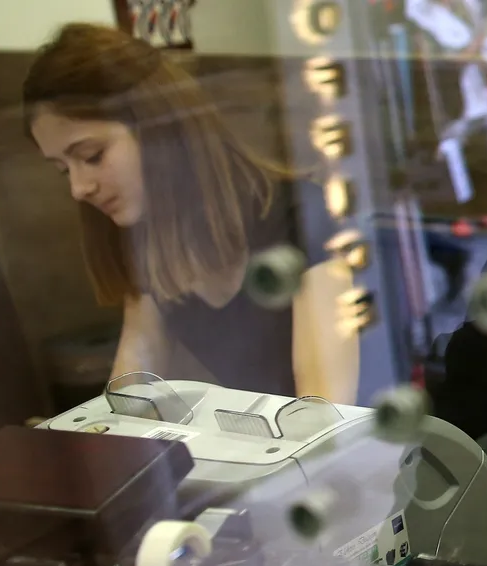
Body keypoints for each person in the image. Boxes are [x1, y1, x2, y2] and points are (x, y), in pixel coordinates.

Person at [22, 23, 358, 403]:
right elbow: (132, 382)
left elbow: (324, 408)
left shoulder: (301, 215)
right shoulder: (151, 241)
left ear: (160, 131)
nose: (78, 188)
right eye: (63, 170)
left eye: (92, 156)